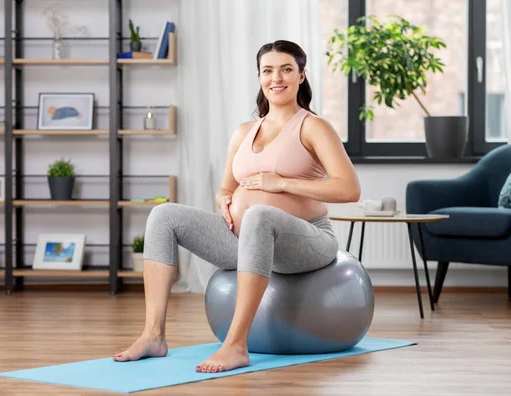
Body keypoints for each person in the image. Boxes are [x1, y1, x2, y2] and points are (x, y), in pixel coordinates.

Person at [113, 40, 361, 373]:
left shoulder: (313, 127)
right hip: (245, 240)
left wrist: (282, 182)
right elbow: (225, 187)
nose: (277, 78)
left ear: (301, 75)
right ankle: (153, 335)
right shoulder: (244, 131)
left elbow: (349, 189)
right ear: (259, 77)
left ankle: (236, 345)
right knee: (164, 215)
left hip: (308, 242)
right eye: (268, 70)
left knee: (259, 215)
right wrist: (223, 200)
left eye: (286, 69)